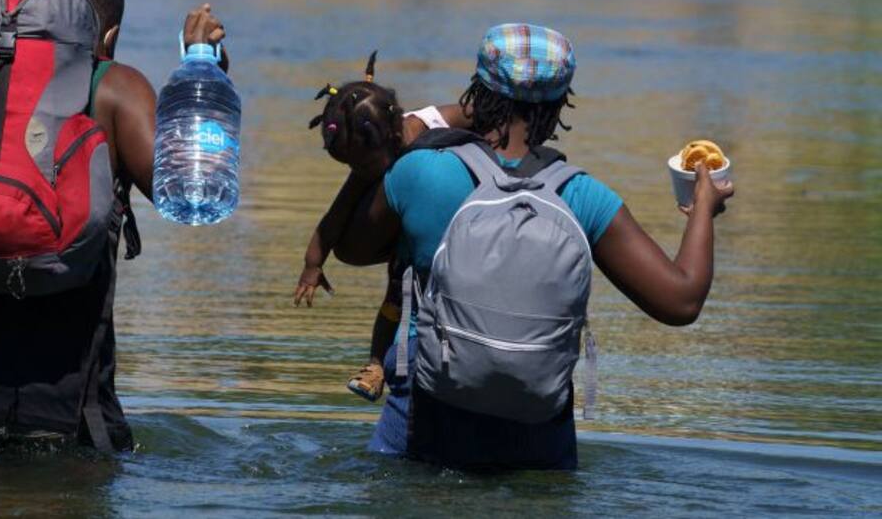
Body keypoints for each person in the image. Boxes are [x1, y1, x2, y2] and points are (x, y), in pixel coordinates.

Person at [331, 24, 734, 470]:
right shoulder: (581, 197)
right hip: (539, 440)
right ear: (561, 104)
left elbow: (349, 249)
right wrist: (702, 208)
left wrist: (381, 152)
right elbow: (682, 301)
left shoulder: (421, 173)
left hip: (424, 426)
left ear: (477, 91)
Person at [0, 0, 228, 453]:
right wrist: (201, 67)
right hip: (65, 397)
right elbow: (190, 194)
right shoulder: (114, 86)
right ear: (108, 35)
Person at [293, 52, 467, 402]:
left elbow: (477, 115)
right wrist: (312, 266)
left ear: (392, 135)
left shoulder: (437, 123)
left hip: (447, 225)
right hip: (405, 233)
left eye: (361, 163)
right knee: (395, 294)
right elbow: (334, 217)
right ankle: (376, 365)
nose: (357, 171)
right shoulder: (369, 160)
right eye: (349, 163)